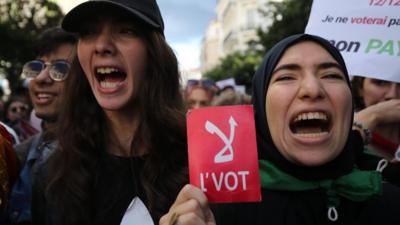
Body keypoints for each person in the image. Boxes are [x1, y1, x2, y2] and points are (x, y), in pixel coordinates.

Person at [160, 34, 400, 225]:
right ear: (261, 110)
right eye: (286, 77)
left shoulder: (388, 197)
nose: (312, 88)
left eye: (330, 75)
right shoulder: (214, 214)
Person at [32, 0, 187, 225]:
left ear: (154, 53)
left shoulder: (200, 163)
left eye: (125, 30)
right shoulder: (51, 174)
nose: (102, 45)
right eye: (89, 32)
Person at [7, 27, 77, 225]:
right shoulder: (15, 155)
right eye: (36, 67)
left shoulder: (109, 156)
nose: (40, 78)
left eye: (60, 69)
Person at [351, 76, 400, 185]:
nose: (392, 95)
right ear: (360, 88)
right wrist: (373, 115)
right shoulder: (338, 132)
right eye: (381, 82)